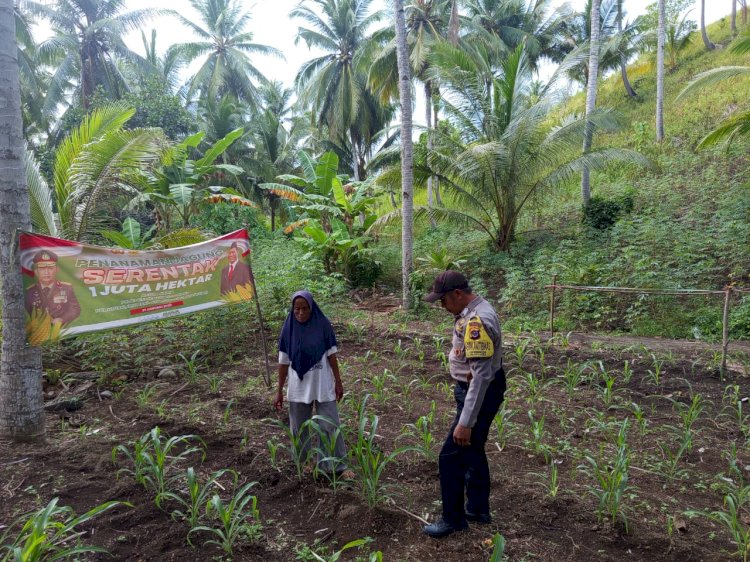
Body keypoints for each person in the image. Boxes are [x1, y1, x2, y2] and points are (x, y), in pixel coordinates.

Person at [422, 270, 506, 538]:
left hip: (478, 393)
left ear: (457, 294)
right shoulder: (477, 308)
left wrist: (466, 422)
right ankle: (478, 508)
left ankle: (453, 519)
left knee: (451, 456)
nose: (443, 307)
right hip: (482, 388)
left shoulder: (477, 320)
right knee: (473, 450)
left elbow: (480, 377)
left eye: (443, 300)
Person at [274, 291, 354, 479]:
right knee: (299, 428)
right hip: (298, 386)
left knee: (329, 424)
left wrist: (338, 381)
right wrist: (278, 390)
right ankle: (305, 463)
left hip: (322, 383)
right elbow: (283, 362)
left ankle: (335, 465)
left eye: (304, 308)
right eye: (297, 309)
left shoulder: (323, 325)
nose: (300, 313)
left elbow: (332, 355)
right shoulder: (288, 329)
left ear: (311, 308)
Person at [24, 250, 81, 325]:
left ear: (57, 270)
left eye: (50, 268)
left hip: (62, 331)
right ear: (36, 271)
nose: (46, 272)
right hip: (38, 332)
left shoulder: (67, 288)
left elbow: (75, 308)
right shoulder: (29, 292)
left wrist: (62, 319)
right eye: (42, 269)